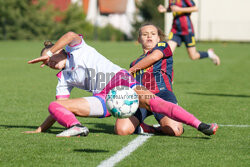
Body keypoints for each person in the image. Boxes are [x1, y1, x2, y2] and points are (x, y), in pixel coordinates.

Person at [26, 31, 218, 137]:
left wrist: (48, 52)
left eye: (49, 58)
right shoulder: (63, 78)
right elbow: (59, 109)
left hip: (120, 81)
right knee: (54, 105)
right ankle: (77, 127)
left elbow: (69, 34)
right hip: (103, 98)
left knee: (155, 103)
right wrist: (41, 129)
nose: (49, 63)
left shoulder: (77, 48)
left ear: (59, 51)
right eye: (46, 63)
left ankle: (200, 125)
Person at [115, 23, 183, 136]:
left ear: (158, 38)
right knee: (121, 130)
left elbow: (154, 57)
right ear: (139, 39)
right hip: (140, 98)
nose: (149, 36)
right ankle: (146, 128)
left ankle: (160, 126)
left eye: (152, 34)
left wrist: (130, 70)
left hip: (162, 94)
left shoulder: (163, 46)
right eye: (145, 34)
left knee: (175, 130)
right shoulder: (134, 63)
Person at [158, 1, 221, 65]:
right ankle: (162, 72)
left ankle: (209, 54)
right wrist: (164, 9)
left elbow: (195, 8)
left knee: (193, 56)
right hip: (175, 29)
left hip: (187, 29)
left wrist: (180, 9)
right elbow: (172, 9)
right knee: (167, 51)